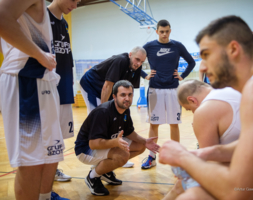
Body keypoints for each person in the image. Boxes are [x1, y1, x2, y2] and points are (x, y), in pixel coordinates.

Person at [159, 15, 253, 200]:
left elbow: (237, 193)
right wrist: (207, 152)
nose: (203, 66)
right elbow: (252, 144)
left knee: (189, 196)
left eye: (207, 55)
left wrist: (182, 157)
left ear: (233, 49)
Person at [0, 0, 64, 200]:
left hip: (41, 81)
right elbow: (1, 17)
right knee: (31, 162)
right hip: (27, 82)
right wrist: (40, 55)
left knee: (46, 157)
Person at [74, 80, 160, 196]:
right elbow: (93, 144)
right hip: (85, 150)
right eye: (123, 95)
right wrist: (115, 142)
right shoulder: (103, 112)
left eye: (130, 95)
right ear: (114, 96)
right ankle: (92, 177)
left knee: (140, 146)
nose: (127, 98)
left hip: (108, 143)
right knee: (122, 155)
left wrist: (145, 141)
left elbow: (129, 132)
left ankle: (105, 171)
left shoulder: (125, 109)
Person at [163, 79, 241, 200]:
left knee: (183, 188)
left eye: (189, 109)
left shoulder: (205, 109)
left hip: (246, 179)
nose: (193, 113)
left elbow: (209, 163)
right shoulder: (233, 90)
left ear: (192, 100)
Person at [141, 19, 196, 169]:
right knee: (154, 124)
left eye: (167, 31)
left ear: (170, 31)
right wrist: (144, 74)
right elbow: (134, 60)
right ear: (157, 31)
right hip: (155, 89)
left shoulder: (177, 46)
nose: (164, 34)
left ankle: (176, 157)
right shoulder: (149, 46)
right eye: (161, 31)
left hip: (173, 89)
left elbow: (192, 62)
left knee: (174, 123)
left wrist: (182, 76)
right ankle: (152, 157)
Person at [80, 47, 147, 168]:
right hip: (92, 85)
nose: (138, 63)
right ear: (130, 54)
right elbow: (107, 86)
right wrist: (103, 110)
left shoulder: (137, 68)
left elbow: (127, 91)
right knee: (100, 119)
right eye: (137, 59)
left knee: (116, 119)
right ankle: (96, 161)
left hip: (109, 90)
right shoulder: (120, 61)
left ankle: (117, 156)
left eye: (142, 61)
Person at [48, 0, 79, 186]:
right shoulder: (42, 17)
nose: (75, 6)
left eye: (78, 2)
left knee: (59, 134)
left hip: (65, 85)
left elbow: (67, 54)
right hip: (48, 87)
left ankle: (53, 170)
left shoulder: (64, 23)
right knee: (48, 133)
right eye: (73, 0)